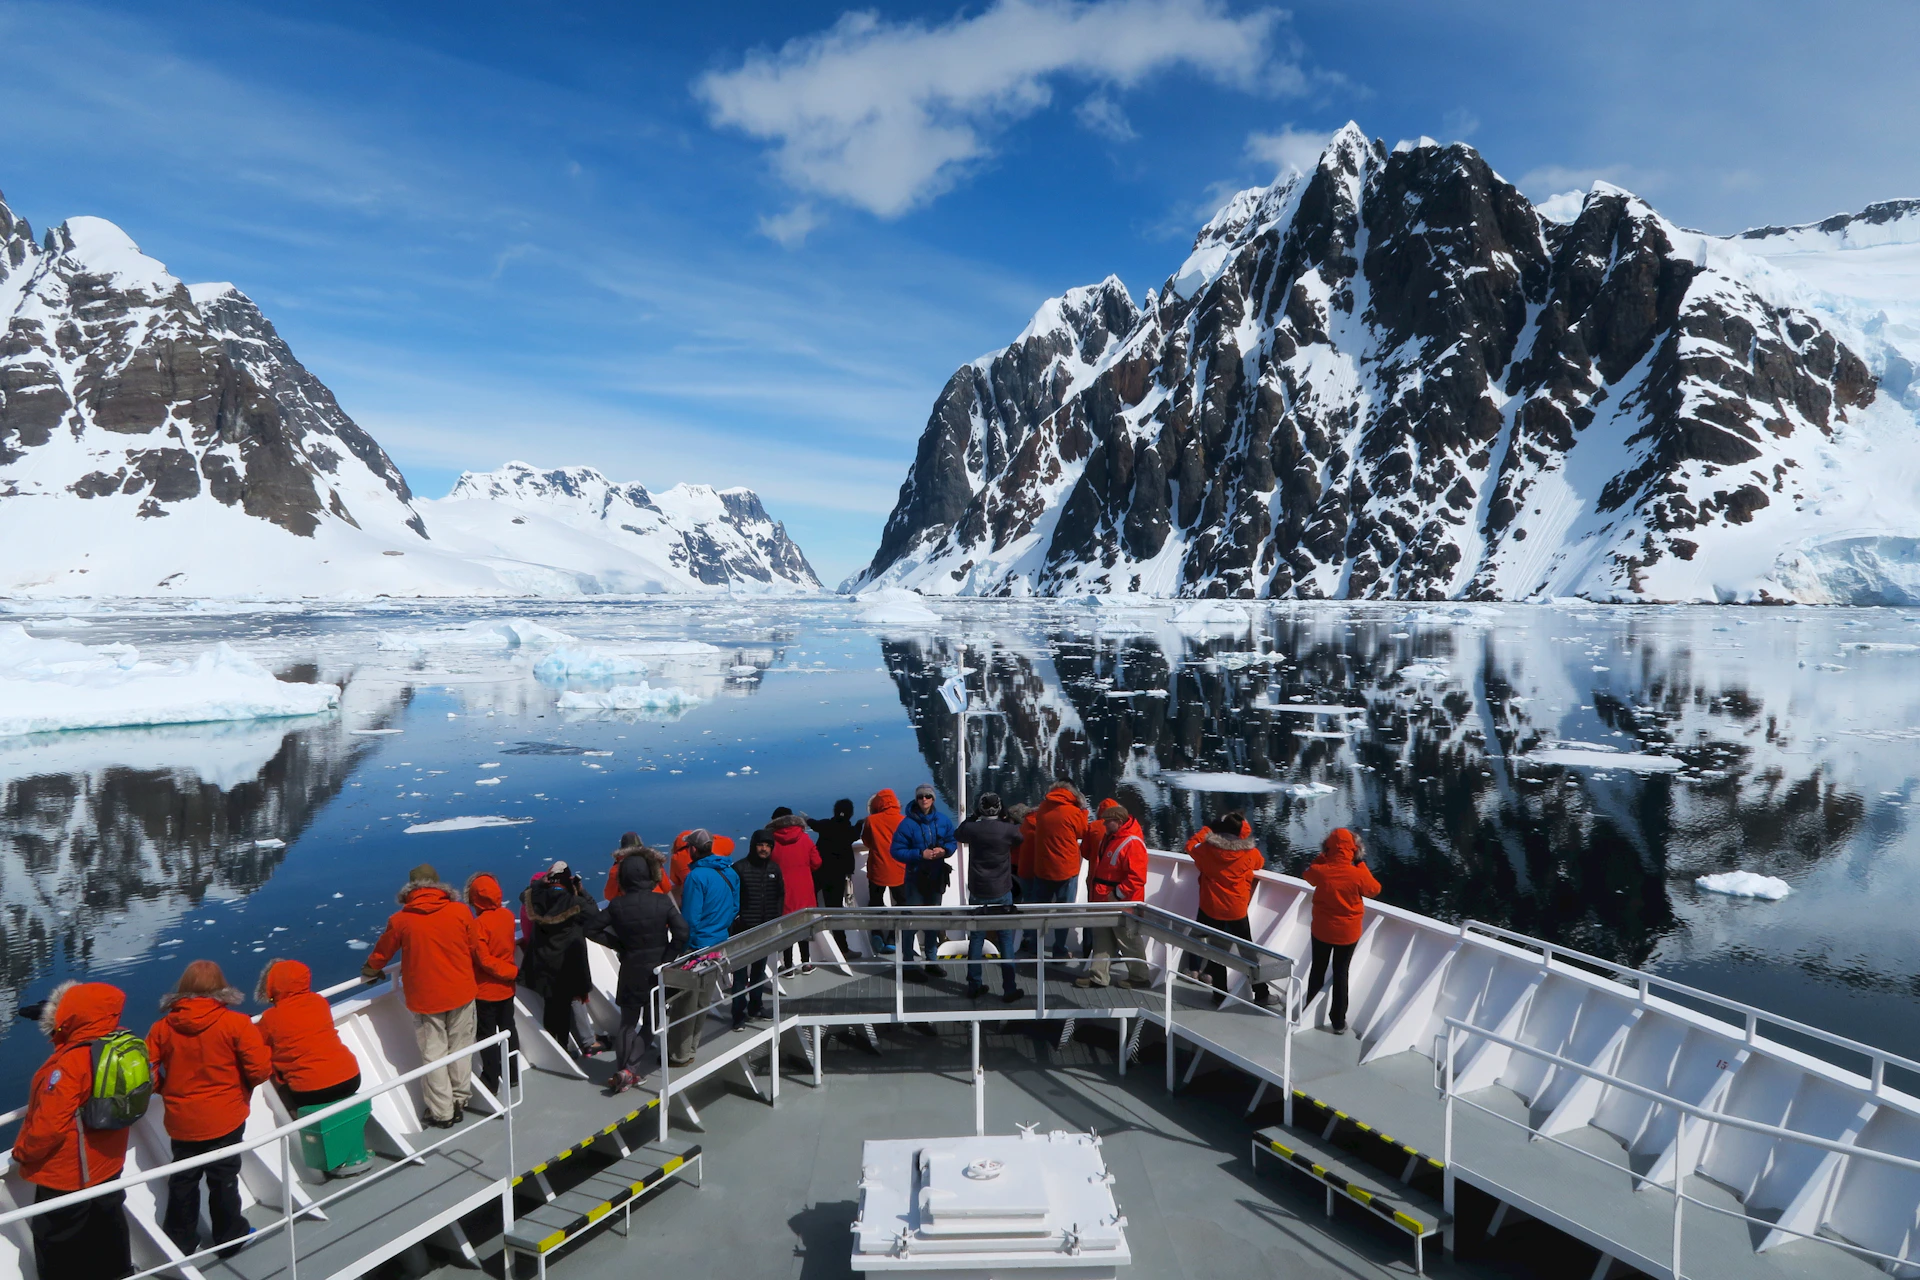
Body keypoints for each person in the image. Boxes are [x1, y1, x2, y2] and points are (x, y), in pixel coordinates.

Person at [147, 961, 271, 1256]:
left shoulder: (162, 1028)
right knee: (224, 1178)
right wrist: (241, 1088)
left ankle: (180, 1243)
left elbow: (145, 1073)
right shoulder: (236, 1023)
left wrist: (165, 1089)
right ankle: (230, 1238)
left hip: (183, 1120)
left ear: (183, 988)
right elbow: (260, 1070)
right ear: (220, 987)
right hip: (226, 1117)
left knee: (183, 1180)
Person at [15, 981, 135, 1280]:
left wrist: (23, 1153)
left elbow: (49, 1126)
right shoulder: (122, 1044)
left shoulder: (69, 1064)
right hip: (109, 1162)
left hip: (70, 1174)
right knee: (110, 1224)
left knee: (55, 1238)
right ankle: (121, 1273)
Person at [363, 864, 497, 1127]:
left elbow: (383, 952)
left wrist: (371, 968)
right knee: (461, 1048)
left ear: (411, 889)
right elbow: (473, 946)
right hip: (461, 992)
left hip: (426, 1000)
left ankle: (442, 1113)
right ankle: (460, 1099)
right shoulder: (460, 911)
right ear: (438, 886)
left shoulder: (401, 920)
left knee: (434, 1055)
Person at [254, 960, 368, 1177]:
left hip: (312, 1091)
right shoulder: (319, 1002)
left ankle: (313, 1138)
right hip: (350, 1077)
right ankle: (344, 1145)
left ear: (273, 986)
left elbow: (257, 1042)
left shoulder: (270, 1018)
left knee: (283, 1090)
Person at [590, 849, 688, 1092]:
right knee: (651, 1023)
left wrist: (618, 945)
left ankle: (623, 1070)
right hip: (657, 971)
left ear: (623, 877)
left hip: (631, 969)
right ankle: (630, 1070)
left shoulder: (617, 905)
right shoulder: (661, 901)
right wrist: (667, 959)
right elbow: (682, 932)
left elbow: (590, 929)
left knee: (627, 1024)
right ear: (648, 875)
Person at [519, 862, 605, 1060]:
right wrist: (581, 891)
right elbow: (595, 914)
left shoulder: (537, 899)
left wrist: (541, 883)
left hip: (544, 964)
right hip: (568, 963)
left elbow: (524, 894)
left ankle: (559, 1050)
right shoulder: (574, 902)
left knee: (552, 1008)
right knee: (568, 1005)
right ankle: (577, 1044)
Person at [1182, 813, 1270, 1006]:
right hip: (1236, 909)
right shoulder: (1249, 853)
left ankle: (1219, 994)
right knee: (1248, 951)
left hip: (1211, 907)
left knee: (1216, 951)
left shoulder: (1206, 850)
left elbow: (1190, 846)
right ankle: (1261, 993)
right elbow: (1260, 863)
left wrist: (1207, 830)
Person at [669, 829, 739, 1066]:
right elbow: (735, 907)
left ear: (692, 849)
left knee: (685, 1003)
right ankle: (691, 1049)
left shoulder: (696, 877)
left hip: (697, 947)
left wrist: (683, 949)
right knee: (702, 1001)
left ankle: (679, 1054)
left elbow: (690, 918)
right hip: (719, 944)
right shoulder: (729, 872)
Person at [1301, 828, 1381, 1034]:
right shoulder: (1358, 874)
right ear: (1354, 850)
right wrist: (1360, 864)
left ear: (1328, 848)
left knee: (1318, 969)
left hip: (1322, 930)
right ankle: (1338, 1021)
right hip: (1347, 933)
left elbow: (1308, 875)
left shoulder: (1321, 871)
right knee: (1341, 972)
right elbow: (1374, 890)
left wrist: (1322, 857)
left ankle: (1309, 1010)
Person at [953, 793, 1024, 1002]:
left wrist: (973, 816)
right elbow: (1020, 838)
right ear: (999, 809)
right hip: (1001, 890)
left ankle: (974, 984)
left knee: (976, 938)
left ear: (981, 808)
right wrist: (1006, 817)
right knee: (1005, 939)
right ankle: (1009, 988)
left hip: (978, 890)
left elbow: (959, 833)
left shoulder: (972, 829)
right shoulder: (1008, 830)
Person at [1078, 799, 1150, 989]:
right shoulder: (1112, 838)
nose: (1104, 824)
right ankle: (1098, 976)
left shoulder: (1132, 843)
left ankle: (1140, 977)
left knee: (1128, 940)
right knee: (1102, 938)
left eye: (1107, 821)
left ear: (1118, 822)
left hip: (1121, 902)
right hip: (1104, 899)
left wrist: (1117, 894)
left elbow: (1137, 877)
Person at [890, 784, 957, 978]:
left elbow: (952, 841)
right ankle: (908, 965)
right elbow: (896, 851)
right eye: (920, 797)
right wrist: (920, 854)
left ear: (933, 799)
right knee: (911, 922)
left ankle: (931, 962)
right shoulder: (907, 824)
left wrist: (945, 850)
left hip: (936, 879)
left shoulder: (943, 821)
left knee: (933, 921)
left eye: (928, 796)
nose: (924, 799)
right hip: (915, 880)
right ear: (916, 799)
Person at [465, 874, 521, 1096]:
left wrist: (508, 972)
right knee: (509, 1029)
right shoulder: (507, 915)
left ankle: (491, 1080)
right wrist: (511, 973)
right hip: (507, 988)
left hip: (486, 991)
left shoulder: (477, 925)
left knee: (487, 1036)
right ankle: (513, 1074)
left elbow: (484, 959)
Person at [1029, 778, 1091, 961]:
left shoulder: (1043, 808)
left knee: (1039, 911)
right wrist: (1084, 810)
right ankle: (1059, 950)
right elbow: (1082, 831)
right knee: (1064, 912)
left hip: (1042, 868)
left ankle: (1034, 946)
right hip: (1066, 870)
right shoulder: (1073, 812)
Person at [730, 829, 786, 1028]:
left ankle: (756, 1006)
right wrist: (738, 919)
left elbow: (780, 895)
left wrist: (776, 918)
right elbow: (732, 897)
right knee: (740, 975)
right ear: (753, 846)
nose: (764, 849)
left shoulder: (774, 869)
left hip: (764, 929)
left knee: (759, 972)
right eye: (761, 845)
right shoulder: (739, 868)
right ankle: (738, 1014)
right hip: (742, 930)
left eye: (768, 845)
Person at [768, 811, 823, 972]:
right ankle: (806, 963)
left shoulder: (771, 841)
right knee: (803, 927)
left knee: (786, 929)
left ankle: (788, 966)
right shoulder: (805, 838)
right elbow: (817, 862)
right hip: (804, 889)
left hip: (781, 891)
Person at [807, 798, 860, 954]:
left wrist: (806, 818)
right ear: (850, 814)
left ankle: (812, 935)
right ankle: (843, 948)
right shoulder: (850, 831)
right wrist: (861, 823)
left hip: (819, 872)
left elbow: (813, 824)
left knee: (811, 902)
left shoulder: (825, 825)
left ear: (835, 811)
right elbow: (856, 833)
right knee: (835, 910)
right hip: (837, 876)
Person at [858, 788, 905, 955]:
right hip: (900, 870)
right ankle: (893, 936)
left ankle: (877, 933)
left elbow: (867, 841)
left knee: (875, 902)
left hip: (877, 870)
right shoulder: (903, 820)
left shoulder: (871, 821)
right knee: (901, 903)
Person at [1008, 802, 1037, 957]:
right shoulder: (1037, 828)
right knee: (1031, 905)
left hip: (1016, 871)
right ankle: (1028, 938)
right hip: (1035, 871)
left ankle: (1007, 936)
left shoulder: (1016, 832)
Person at [603, 831, 644, 900]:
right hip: (655, 901)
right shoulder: (653, 862)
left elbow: (609, 895)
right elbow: (664, 886)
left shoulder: (617, 869)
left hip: (628, 903)